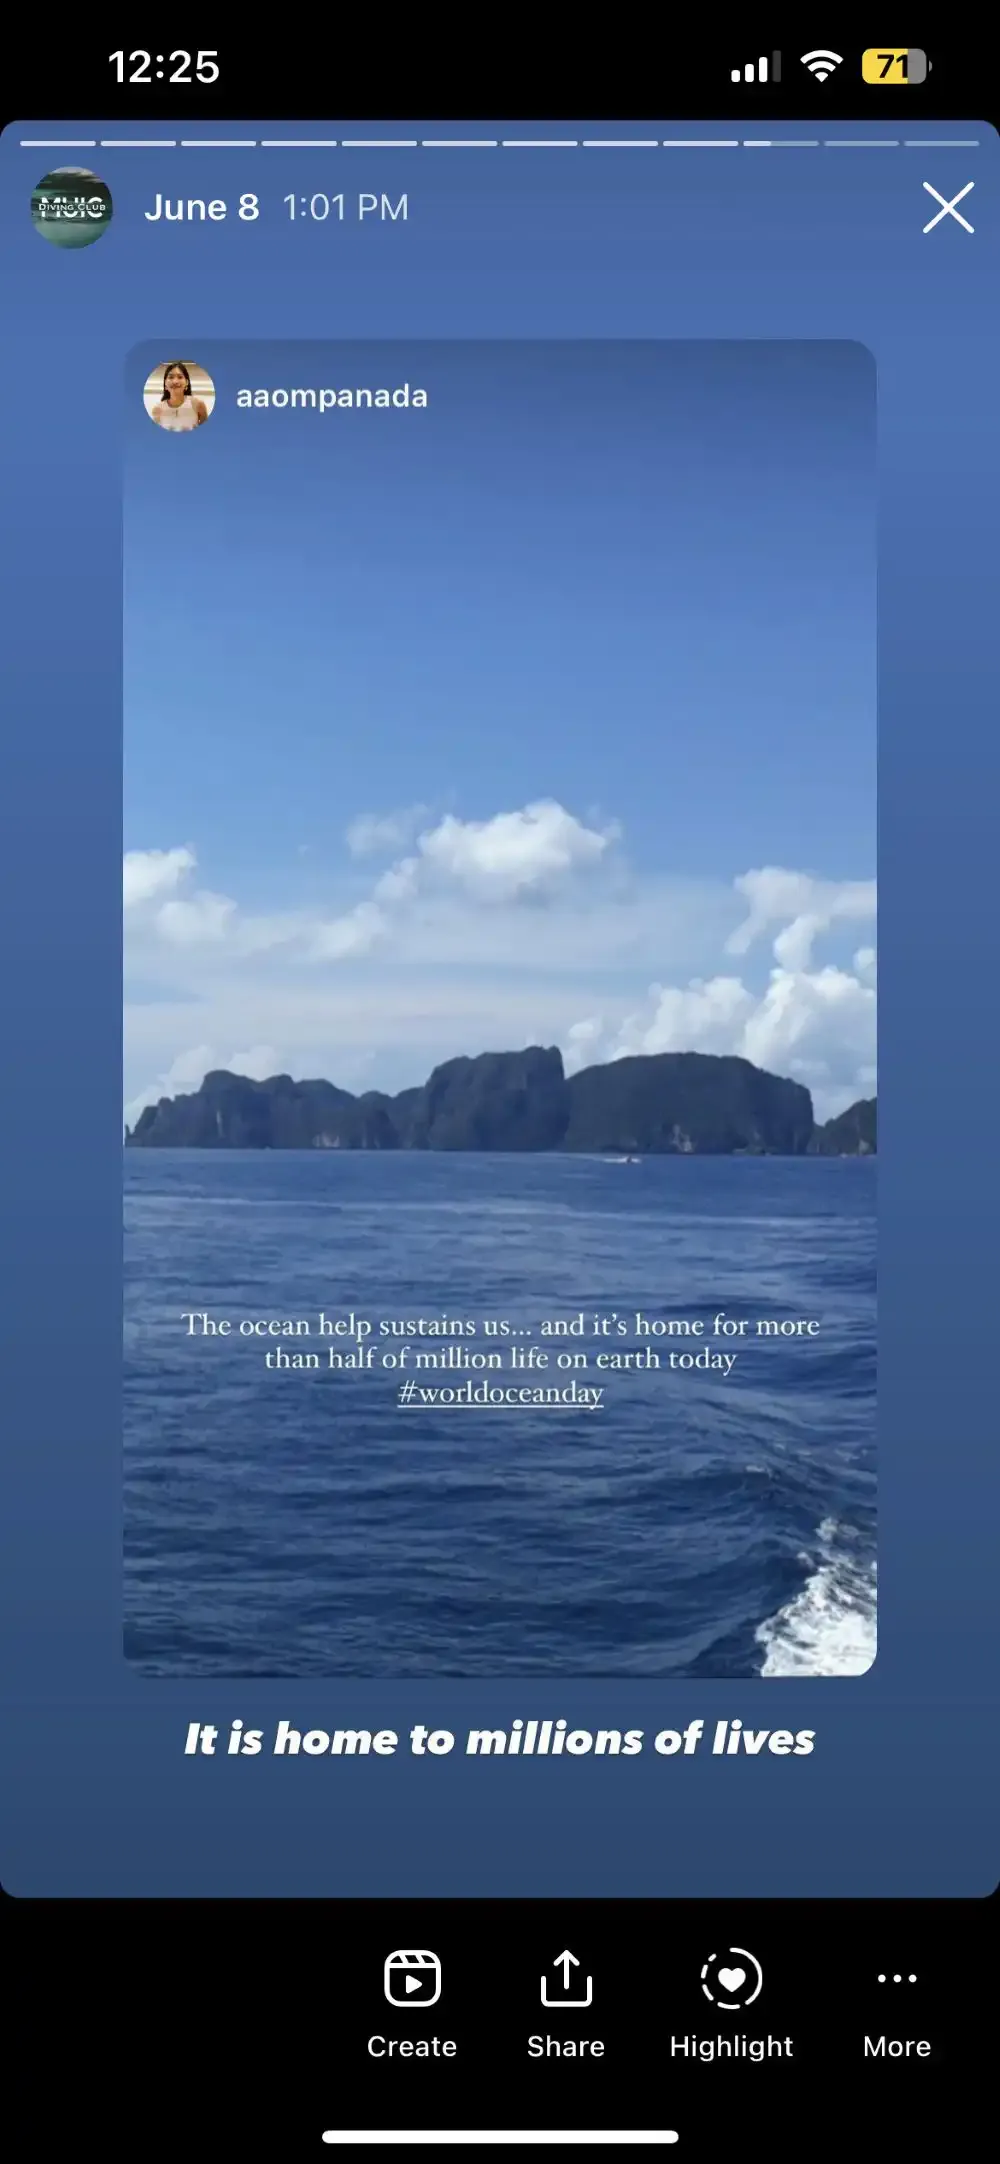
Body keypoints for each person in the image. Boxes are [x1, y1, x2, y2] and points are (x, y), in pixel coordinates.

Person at [151, 361, 209, 431]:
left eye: (180, 377)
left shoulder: (198, 405)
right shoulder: (157, 409)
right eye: (171, 377)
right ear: (165, 383)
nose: (175, 381)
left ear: (187, 382)